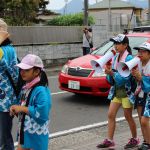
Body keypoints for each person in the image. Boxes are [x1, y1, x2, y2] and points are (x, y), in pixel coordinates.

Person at [96, 34, 139, 149]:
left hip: (126, 93)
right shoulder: (115, 58)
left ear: (125, 45)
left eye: (118, 43)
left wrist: (111, 73)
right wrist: (109, 73)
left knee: (128, 116)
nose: (115, 46)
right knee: (110, 114)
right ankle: (110, 140)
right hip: (116, 92)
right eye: (114, 43)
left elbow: (122, 80)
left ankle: (135, 138)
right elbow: (111, 81)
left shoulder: (129, 59)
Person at [10, 54, 52, 150]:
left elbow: (42, 114)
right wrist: (17, 109)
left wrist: (21, 108)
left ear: (37, 71)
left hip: (35, 137)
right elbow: (25, 108)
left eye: (27, 70)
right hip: (25, 133)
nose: (22, 72)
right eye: (21, 69)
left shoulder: (41, 90)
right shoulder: (27, 87)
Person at [0, 18, 19, 150]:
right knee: (4, 134)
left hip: (5, 102)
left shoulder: (6, 50)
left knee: (4, 136)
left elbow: (3, 64)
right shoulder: (8, 49)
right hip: (5, 99)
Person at [131, 42, 150, 150]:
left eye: (143, 51)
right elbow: (138, 81)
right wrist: (136, 76)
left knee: (144, 120)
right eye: (139, 51)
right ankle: (146, 141)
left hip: (148, 95)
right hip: (140, 94)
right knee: (141, 119)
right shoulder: (138, 63)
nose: (140, 53)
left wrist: (141, 78)